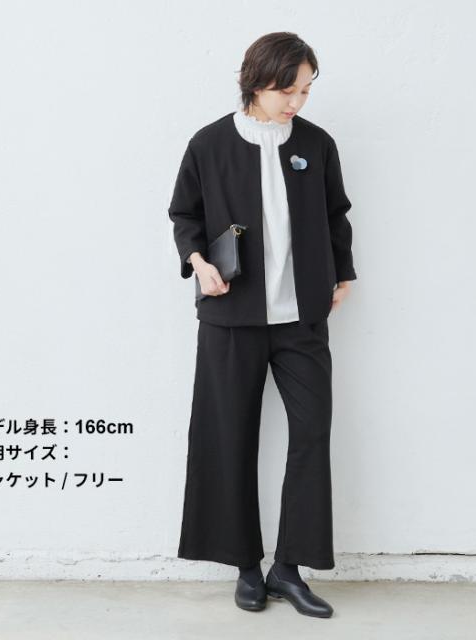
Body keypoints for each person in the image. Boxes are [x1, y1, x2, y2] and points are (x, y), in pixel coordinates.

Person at [168, 32, 356, 618]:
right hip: (232, 316)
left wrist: (343, 273)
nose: (296, 102)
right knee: (228, 437)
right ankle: (246, 566)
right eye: (286, 90)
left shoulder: (316, 144)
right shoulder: (209, 144)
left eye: (305, 90)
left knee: (312, 433)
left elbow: (336, 214)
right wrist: (198, 262)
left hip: (301, 318)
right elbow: (184, 214)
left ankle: (289, 568)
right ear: (254, 82)